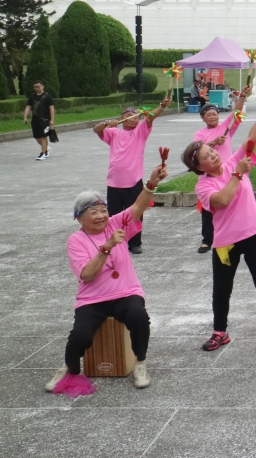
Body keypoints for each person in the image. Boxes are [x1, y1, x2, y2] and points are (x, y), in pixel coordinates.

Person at [46, 165, 168, 395]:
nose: (101, 216)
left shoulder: (115, 223)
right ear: (79, 218)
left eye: (103, 210)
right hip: (92, 299)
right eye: (94, 212)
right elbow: (87, 275)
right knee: (80, 335)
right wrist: (107, 246)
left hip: (125, 292)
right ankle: (69, 368)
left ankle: (140, 363)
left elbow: (138, 206)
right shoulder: (76, 241)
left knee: (138, 316)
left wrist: (152, 183)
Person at [184, 94, 256, 352]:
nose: (214, 156)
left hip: (254, 234)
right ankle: (220, 332)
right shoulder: (203, 185)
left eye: (212, 151)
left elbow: (252, 139)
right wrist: (238, 173)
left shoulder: (231, 163)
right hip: (225, 242)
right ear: (199, 166)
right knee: (221, 289)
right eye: (207, 156)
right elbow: (222, 200)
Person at [93, 96, 172, 254]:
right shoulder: (113, 132)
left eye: (136, 116)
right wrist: (107, 123)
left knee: (135, 213)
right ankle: (115, 241)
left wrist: (162, 105)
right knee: (114, 214)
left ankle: (135, 243)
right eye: (128, 116)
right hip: (114, 182)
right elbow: (96, 129)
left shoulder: (140, 131)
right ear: (122, 118)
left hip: (134, 180)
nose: (133, 119)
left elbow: (151, 116)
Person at [192, 87, 252, 254]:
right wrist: (213, 142)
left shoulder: (226, 127)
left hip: (228, 172)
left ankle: (235, 234)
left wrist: (242, 96)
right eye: (208, 115)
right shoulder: (200, 134)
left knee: (232, 204)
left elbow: (236, 112)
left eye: (214, 114)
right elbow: (196, 150)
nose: (212, 117)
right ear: (202, 118)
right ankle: (207, 240)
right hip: (209, 175)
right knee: (208, 210)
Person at [23, 80, 55, 160]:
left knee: (43, 136)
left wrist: (52, 119)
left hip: (44, 120)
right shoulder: (32, 96)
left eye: (38, 86)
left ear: (43, 86)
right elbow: (28, 106)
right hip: (35, 120)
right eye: (35, 87)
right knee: (37, 137)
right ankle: (46, 148)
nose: (36, 88)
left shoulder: (47, 96)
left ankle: (43, 153)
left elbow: (51, 108)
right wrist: (25, 117)